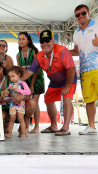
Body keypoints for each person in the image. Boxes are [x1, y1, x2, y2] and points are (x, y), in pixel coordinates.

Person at [22, 30, 77, 136]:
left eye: (47, 40)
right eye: (42, 41)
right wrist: (18, 80)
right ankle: (53, 126)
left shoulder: (62, 50)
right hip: (55, 82)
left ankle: (65, 127)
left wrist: (68, 86)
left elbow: (71, 69)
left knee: (66, 98)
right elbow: (30, 71)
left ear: (53, 40)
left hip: (68, 80)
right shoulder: (39, 56)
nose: (44, 44)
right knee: (48, 99)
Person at [0, 56, 36, 133]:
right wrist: (2, 96)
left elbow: (28, 94)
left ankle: (25, 121)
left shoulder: (12, 77)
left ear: (2, 68)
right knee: (3, 123)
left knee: (32, 102)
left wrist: (21, 96)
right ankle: (6, 122)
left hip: (18, 107)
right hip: (5, 110)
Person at [71, 4, 98, 135]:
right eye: (77, 15)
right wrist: (62, 51)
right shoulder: (75, 33)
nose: (80, 16)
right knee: (89, 100)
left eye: (83, 13)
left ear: (88, 13)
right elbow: (76, 50)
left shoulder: (96, 25)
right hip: (84, 70)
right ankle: (91, 127)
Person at [17, 32, 45, 133]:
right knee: (27, 102)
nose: (21, 41)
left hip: (37, 79)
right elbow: (20, 71)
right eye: (19, 39)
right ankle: (26, 125)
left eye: (23, 39)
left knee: (35, 102)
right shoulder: (18, 55)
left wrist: (32, 85)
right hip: (25, 80)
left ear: (28, 40)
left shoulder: (33, 52)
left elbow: (36, 70)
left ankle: (36, 127)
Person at [5, 66, 31, 138]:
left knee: (20, 118)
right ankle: (9, 133)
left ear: (19, 74)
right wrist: (6, 93)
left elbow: (28, 92)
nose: (11, 78)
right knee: (12, 119)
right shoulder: (11, 85)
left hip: (21, 105)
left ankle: (23, 133)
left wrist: (18, 90)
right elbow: (8, 93)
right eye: (10, 77)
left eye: (13, 76)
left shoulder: (22, 83)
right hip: (12, 105)